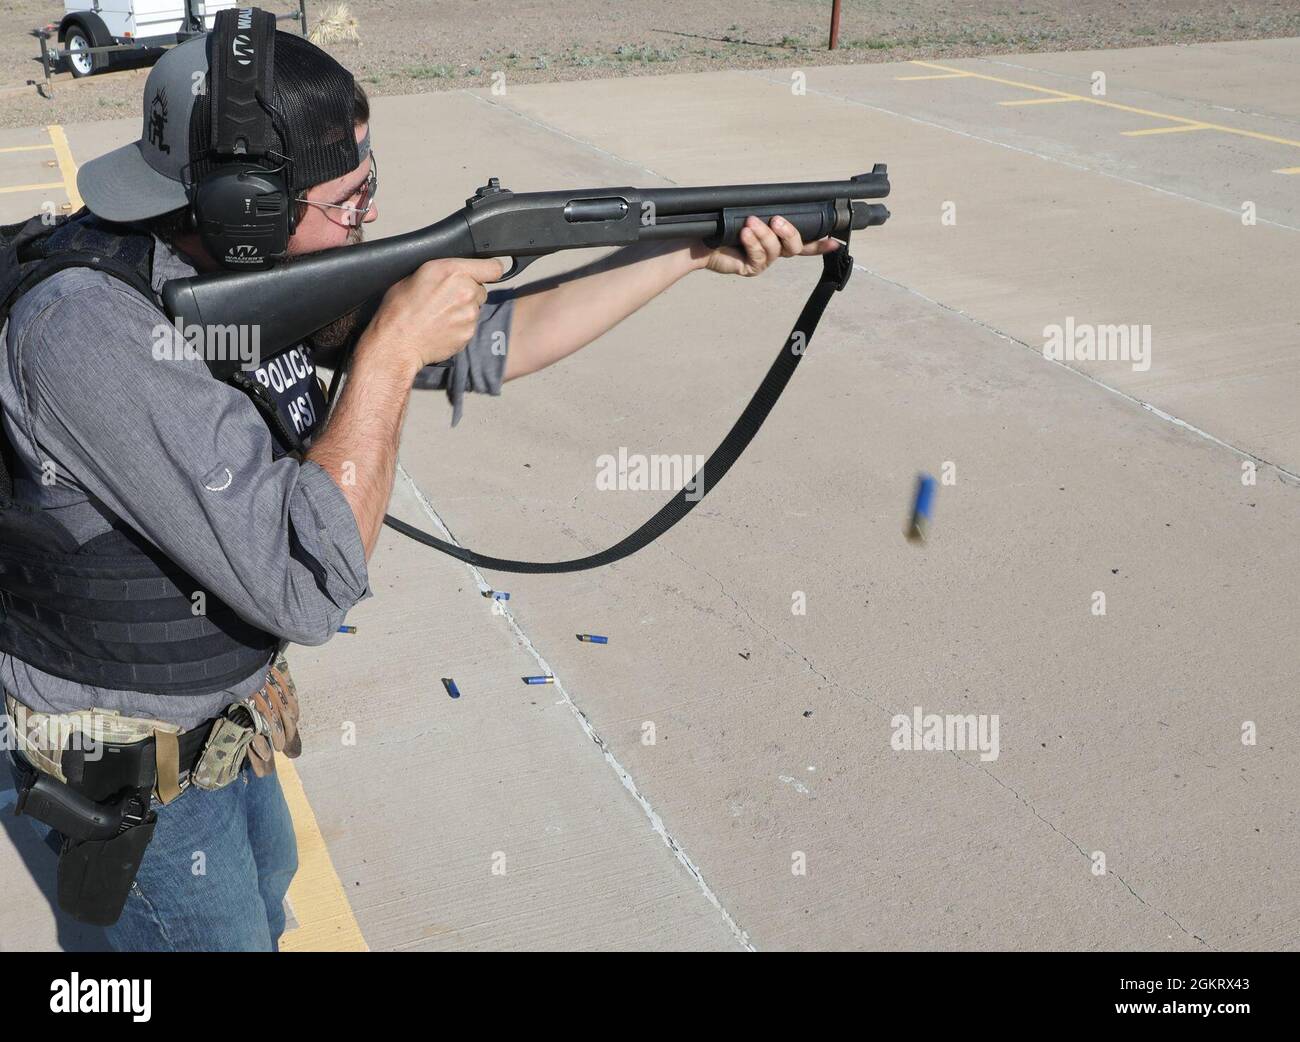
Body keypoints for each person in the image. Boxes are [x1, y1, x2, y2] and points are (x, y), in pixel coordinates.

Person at [0, 16, 841, 952]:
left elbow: (489, 344)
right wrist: (392, 350)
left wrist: (684, 250)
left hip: (222, 739)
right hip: (130, 784)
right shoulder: (90, 334)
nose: (368, 219)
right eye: (350, 201)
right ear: (248, 210)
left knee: (263, 918)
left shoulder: (229, 265)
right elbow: (308, 577)